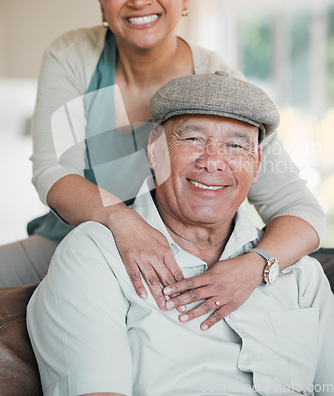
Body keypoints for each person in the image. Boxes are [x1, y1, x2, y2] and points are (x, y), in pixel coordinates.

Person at [0, 0, 324, 328]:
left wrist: (255, 266)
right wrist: (122, 220)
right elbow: (51, 172)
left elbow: (300, 210)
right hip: (72, 238)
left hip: (178, 259)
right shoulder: (74, 57)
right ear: (100, 1)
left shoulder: (217, 84)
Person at [27, 72, 334, 396]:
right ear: (154, 151)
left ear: (256, 164)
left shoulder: (301, 275)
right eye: (193, 139)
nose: (213, 161)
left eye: (235, 145)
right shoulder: (95, 257)